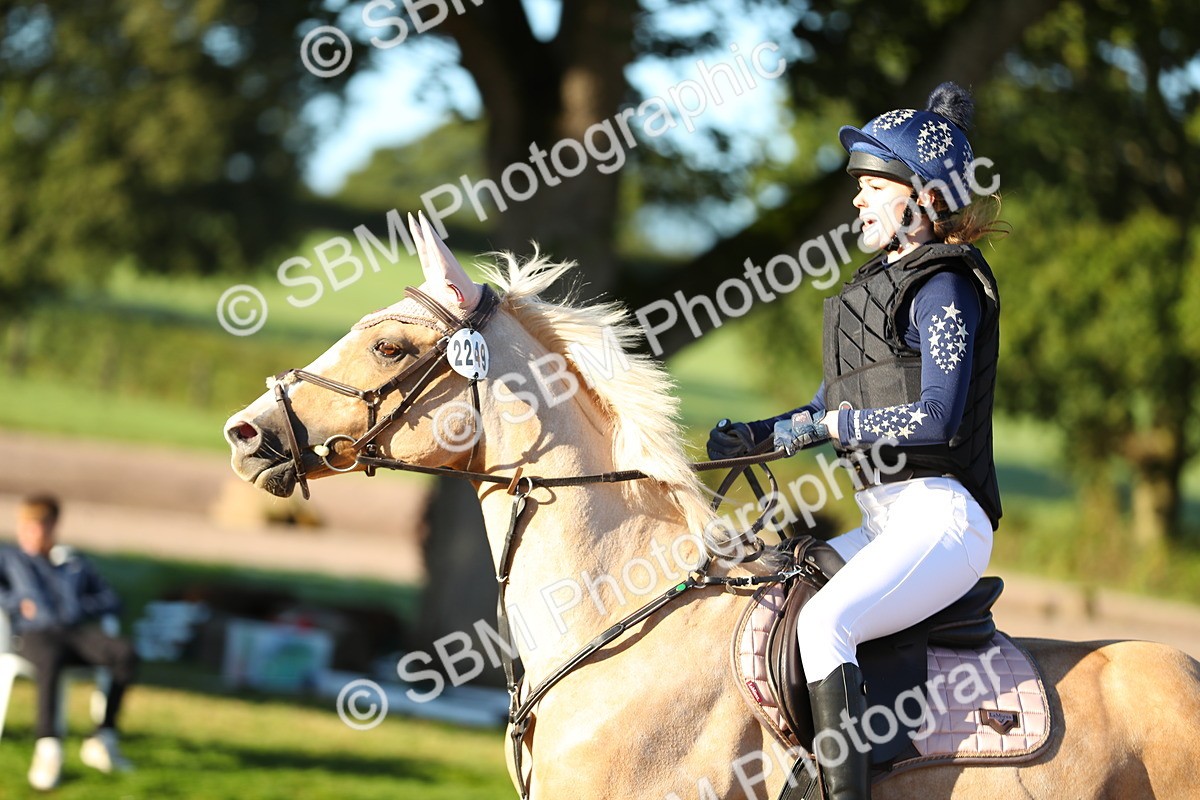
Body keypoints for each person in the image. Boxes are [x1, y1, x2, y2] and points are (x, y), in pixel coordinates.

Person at [708, 82, 1003, 799]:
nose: (858, 200)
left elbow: (938, 418)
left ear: (920, 197)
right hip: (885, 524)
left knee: (825, 625)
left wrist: (836, 427)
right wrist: (760, 437)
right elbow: (826, 407)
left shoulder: (947, 289)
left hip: (943, 522)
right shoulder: (872, 290)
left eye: (873, 185)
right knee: (769, 599)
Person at [1, 494, 138, 790]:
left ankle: (103, 737)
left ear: (53, 527)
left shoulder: (72, 562)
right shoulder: (10, 559)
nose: (35, 534)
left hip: (74, 632)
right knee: (51, 658)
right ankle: (48, 747)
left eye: (42, 527)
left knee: (124, 652)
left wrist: (79, 607)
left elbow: (111, 599)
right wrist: (17, 601)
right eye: (30, 527)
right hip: (32, 634)